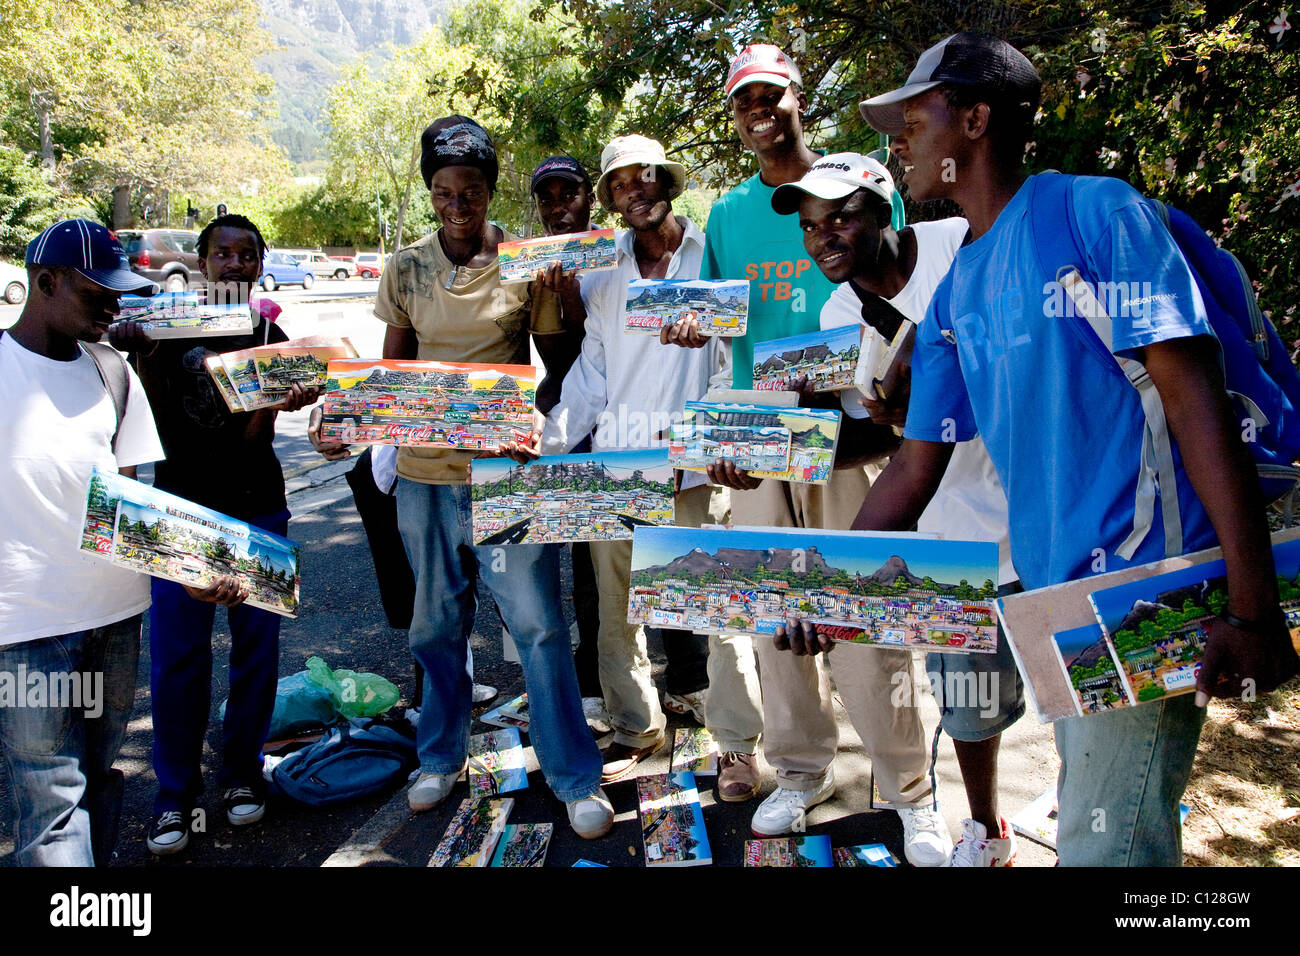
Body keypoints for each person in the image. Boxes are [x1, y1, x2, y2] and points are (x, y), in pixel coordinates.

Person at [852, 32, 1299, 865]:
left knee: (1109, 852)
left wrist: (1253, 608)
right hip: (1054, 607)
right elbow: (915, 467)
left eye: (916, 119)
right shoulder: (957, 291)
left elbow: (1195, 404)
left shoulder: (1097, 215)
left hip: (1147, 588)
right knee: (1107, 834)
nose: (899, 141)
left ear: (977, 119)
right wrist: (808, 587)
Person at [769, 152, 1021, 865]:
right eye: (813, 228)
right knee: (971, 704)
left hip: (1040, 508)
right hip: (950, 527)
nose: (825, 238)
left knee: (1068, 693)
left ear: (886, 212)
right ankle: (986, 827)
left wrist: (937, 349)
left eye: (842, 217)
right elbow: (865, 438)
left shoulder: (960, 242)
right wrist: (769, 449)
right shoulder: (835, 313)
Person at [375, 115, 610, 838]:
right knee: (436, 625)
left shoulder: (521, 262)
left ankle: (573, 775)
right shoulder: (406, 267)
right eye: (443, 191)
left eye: (470, 190)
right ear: (430, 193)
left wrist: (537, 424)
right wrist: (356, 418)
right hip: (424, 477)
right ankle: (439, 758)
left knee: (538, 625)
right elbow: (392, 369)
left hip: (504, 475)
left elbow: (557, 366)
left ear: (488, 189)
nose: (456, 204)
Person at [514, 135, 744, 785]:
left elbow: (733, 362)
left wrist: (697, 444)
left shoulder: (711, 253)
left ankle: (737, 741)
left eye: (644, 177)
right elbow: (592, 374)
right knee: (617, 614)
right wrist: (550, 444)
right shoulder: (605, 273)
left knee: (718, 615)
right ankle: (637, 726)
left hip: (694, 468)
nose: (634, 190)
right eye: (620, 183)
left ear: (665, 181)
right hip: (617, 466)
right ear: (610, 198)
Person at [109, 213, 318, 855]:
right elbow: (147, 419)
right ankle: (173, 799)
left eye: (245, 254)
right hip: (175, 515)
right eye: (220, 253)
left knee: (255, 657)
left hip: (256, 509)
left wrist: (277, 407)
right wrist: (134, 344)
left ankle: (242, 777)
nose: (233, 263)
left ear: (259, 266)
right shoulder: (165, 331)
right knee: (177, 662)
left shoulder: (271, 336)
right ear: (201, 264)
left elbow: (252, 446)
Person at [0, 219, 164, 865]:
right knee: (51, 805)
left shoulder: (113, 372)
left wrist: (201, 568)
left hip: (115, 619)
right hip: (25, 632)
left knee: (96, 783)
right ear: (46, 282)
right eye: (100, 295)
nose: (115, 309)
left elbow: (135, 504)